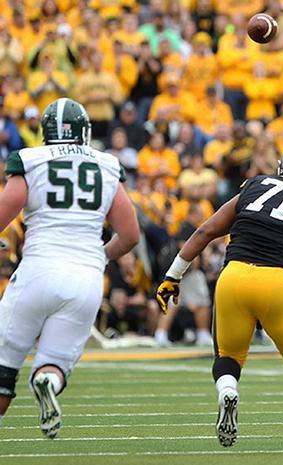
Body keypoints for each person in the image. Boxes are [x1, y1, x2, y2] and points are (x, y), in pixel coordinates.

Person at [156, 145, 283, 453]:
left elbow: (206, 230)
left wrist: (172, 275)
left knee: (228, 356)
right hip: (276, 282)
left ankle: (228, 390)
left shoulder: (255, 184)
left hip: (232, 277)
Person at [0, 98, 140, 438]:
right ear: (84, 132)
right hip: (86, 278)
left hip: (38, 269)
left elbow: (6, 211)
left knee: (3, 372)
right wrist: (100, 257)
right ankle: (47, 379)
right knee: (54, 362)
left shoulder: (30, 160)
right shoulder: (107, 164)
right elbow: (130, 235)